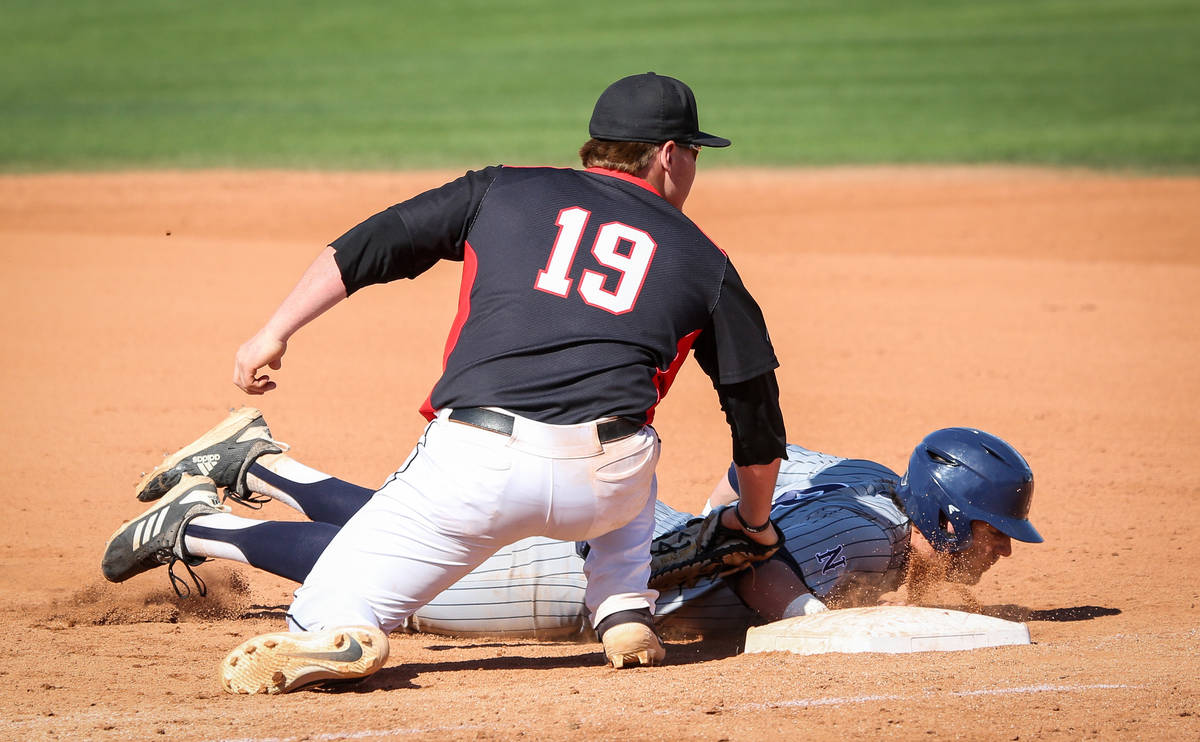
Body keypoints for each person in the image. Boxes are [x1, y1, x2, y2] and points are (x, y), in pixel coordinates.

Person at [102, 72, 788, 695]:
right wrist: (752, 525)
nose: (696, 167)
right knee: (636, 453)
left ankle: (339, 626)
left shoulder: (502, 189)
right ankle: (621, 605)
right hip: (605, 486)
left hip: (476, 469)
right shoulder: (708, 261)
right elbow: (756, 419)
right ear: (667, 154)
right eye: (696, 152)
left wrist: (273, 331)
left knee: (330, 601)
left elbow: (377, 241)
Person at [103, 408, 1041, 643]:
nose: (999, 552)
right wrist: (821, 625)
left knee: (418, 528)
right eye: (996, 533)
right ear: (950, 518)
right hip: (594, 568)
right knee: (407, 581)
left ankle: (259, 464)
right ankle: (202, 527)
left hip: (623, 529)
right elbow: (763, 577)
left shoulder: (870, 483)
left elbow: (756, 475)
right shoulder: (875, 536)